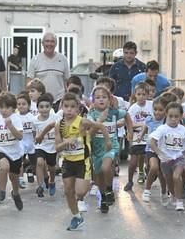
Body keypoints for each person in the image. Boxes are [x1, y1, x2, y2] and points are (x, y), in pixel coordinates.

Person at [55, 92, 108, 231]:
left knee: (80, 191)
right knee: (68, 191)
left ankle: (88, 183)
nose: (69, 110)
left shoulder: (83, 122)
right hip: (67, 161)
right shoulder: (59, 125)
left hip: (82, 161)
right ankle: (77, 217)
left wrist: (101, 139)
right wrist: (66, 143)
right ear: (62, 108)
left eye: (72, 107)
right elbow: (57, 147)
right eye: (66, 106)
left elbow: (100, 126)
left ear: (78, 108)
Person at [150, 102, 185, 212]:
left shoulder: (183, 129)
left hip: (179, 157)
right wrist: (159, 153)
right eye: (171, 116)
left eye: (176, 117)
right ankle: (174, 195)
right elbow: (152, 142)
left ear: (180, 117)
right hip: (165, 159)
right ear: (166, 115)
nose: (173, 119)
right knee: (169, 181)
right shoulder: (162, 129)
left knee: (177, 177)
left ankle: (179, 201)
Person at [88, 85, 128, 213]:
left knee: (106, 167)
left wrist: (130, 131)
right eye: (98, 97)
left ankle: (109, 189)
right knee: (98, 174)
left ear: (109, 99)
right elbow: (90, 134)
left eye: (104, 97)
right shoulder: (91, 115)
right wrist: (100, 120)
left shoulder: (114, 112)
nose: (101, 100)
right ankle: (103, 196)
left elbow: (127, 115)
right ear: (93, 101)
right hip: (97, 148)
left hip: (111, 146)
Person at [134, 96, 167, 204]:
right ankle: (147, 190)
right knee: (154, 167)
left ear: (166, 111)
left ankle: (164, 192)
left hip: (163, 151)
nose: (157, 112)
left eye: (161, 110)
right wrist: (140, 136)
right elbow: (145, 128)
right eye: (155, 109)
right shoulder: (149, 119)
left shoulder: (166, 121)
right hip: (150, 149)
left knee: (162, 174)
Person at [26, 32, 71, 101]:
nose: (49, 44)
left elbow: (67, 82)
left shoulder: (63, 59)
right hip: (41, 102)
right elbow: (29, 84)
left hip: (59, 101)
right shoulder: (35, 60)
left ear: (56, 44)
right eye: (47, 41)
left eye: (52, 41)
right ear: (42, 43)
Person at [126, 82, 153, 190]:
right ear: (135, 95)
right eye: (139, 94)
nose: (141, 97)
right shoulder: (133, 108)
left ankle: (147, 177)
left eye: (143, 94)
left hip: (149, 138)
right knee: (133, 162)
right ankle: (129, 181)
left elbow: (155, 119)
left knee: (149, 161)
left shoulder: (151, 105)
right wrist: (142, 125)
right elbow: (130, 123)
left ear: (147, 95)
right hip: (137, 138)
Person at [33, 92, 58, 197]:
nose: (44, 109)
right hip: (41, 146)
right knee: (39, 162)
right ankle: (40, 185)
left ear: (51, 107)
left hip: (52, 147)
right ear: (37, 108)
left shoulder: (55, 118)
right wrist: (36, 139)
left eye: (47, 106)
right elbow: (34, 133)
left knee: (52, 169)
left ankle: (52, 181)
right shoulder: (35, 120)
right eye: (41, 107)